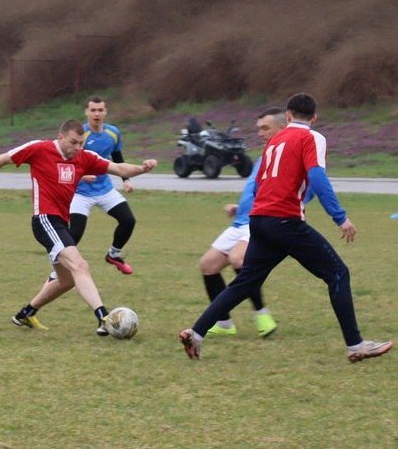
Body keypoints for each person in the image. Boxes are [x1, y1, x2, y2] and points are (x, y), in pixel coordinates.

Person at [180, 93, 392, 363]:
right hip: (285, 221)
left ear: (288, 116)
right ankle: (356, 346)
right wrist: (340, 217)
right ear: (314, 118)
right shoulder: (313, 137)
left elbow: (258, 185)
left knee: (245, 282)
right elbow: (317, 177)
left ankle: (196, 333)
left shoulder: (273, 142)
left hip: (259, 220)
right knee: (338, 274)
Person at [0, 119, 157, 335]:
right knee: (80, 265)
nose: (77, 147)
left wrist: (142, 168)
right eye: (73, 142)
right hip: (44, 220)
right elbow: (3, 158)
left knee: (67, 280)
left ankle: (26, 314)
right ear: (61, 137)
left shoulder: (84, 157)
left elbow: (118, 168)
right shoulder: (39, 149)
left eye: (81, 143)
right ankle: (104, 318)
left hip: (62, 223)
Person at [197, 107, 285, 338]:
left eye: (265, 128)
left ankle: (262, 315)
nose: (260, 133)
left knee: (239, 259)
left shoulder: (288, 157)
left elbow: (306, 190)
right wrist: (240, 207)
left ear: (282, 127)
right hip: (240, 221)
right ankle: (224, 323)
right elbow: (256, 191)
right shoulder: (264, 157)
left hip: (260, 221)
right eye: (259, 128)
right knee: (208, 265)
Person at [69, 96, 140, 275]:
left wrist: (126, 180)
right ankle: (59, 270)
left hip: (105, 189)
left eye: (100, 110)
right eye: (93, 110)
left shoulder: (113, 133)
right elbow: (68, 161)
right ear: (86, 112)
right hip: (80, 192)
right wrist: (82, 176)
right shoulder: (80, 135)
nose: (97, 114)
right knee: (74, 235)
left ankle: (113, 255)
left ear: (105, 112)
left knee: (128, 220)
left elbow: (117, 157)